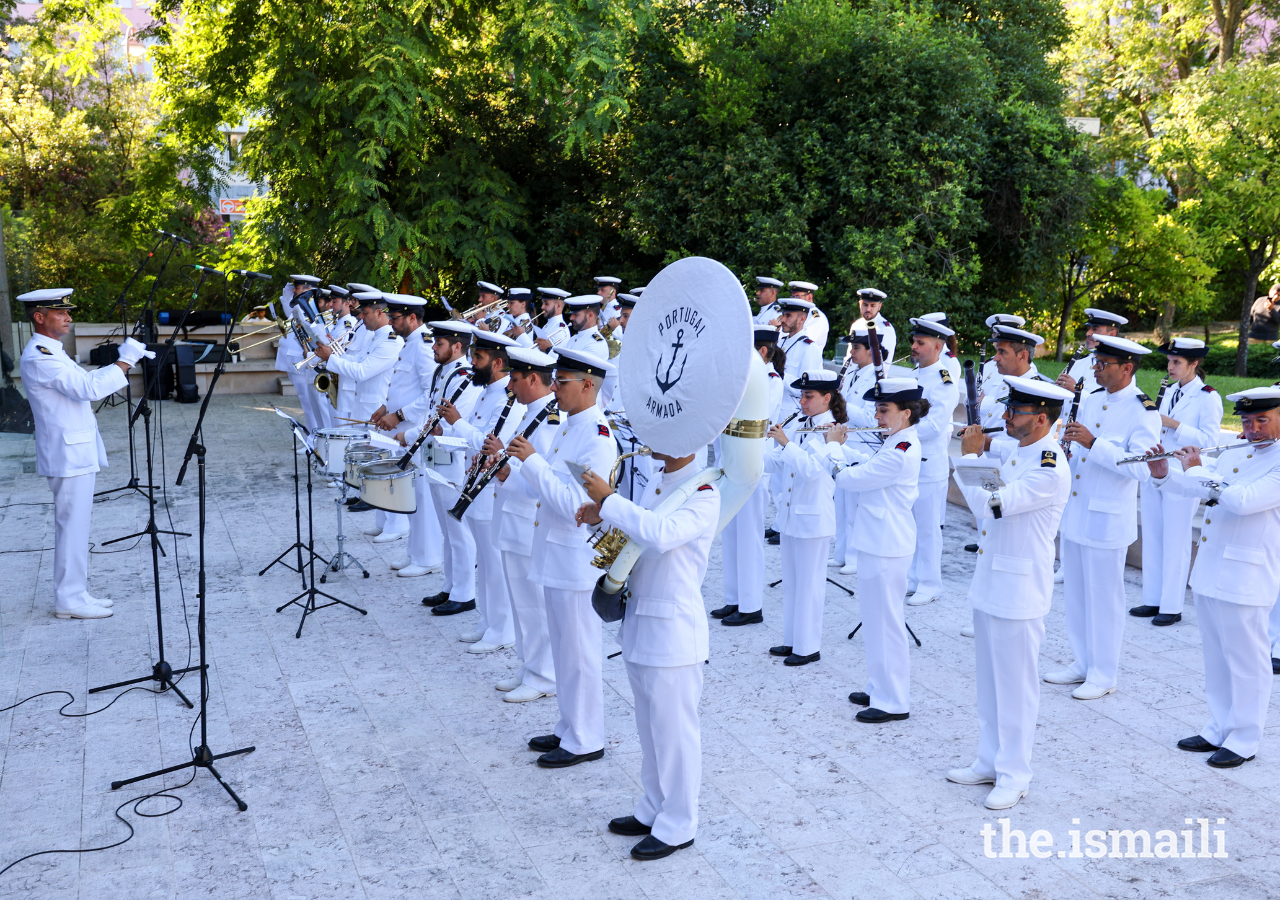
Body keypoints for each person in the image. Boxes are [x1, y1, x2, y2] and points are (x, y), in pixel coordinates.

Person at [576, 446, 719, 862]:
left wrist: (609, 500)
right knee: (650, 729)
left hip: (674, 632)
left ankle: (678, 824)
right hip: (641, 621)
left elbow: (660, 533)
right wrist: (605, 516)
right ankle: (654, 808)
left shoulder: (705, 490)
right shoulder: (660, 479)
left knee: (674, 734)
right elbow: (642, 534)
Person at [947, 376, 1073, 810]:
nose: (1005, 417)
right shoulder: (1021, 451)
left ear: (1041, 418)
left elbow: (992, 506)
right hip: (992, 582)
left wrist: (966, 460)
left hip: (1020, 591)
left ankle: (1015, 772)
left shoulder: (1049, 468)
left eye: (1015, 412)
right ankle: (989, 759)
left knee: (1016, 687)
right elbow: (994, 468)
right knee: (990, 682)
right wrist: (976, 449)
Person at [1147, 386, 1280, 768]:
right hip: (1211, 568)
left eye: (1262, 420)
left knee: (1247, 659)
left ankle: (1245, 738)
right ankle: (1219, 726)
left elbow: (1241, 501)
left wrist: (1199, 469)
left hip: (1247, 574)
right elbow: (1197, 486)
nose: (1252, 428)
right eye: (1247, 420)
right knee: (1216, 656)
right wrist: (1164, 475)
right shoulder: (1242, 452)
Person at [507, 347, 619, 768]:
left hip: (574, 559)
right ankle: (569, 726)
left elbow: (575, 506)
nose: (554, 388)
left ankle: (586, 738)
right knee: (564, 649)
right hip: (556, 556)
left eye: (563, 381)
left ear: (588, 385)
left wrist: (532, 464)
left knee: (580, 651)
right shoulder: (572, 427)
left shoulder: (597, 437)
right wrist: (528, 470)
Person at [18, 288, 153, 619]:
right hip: (67, 456)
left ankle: (75, 593)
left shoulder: (53, 351)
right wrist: (125, 360)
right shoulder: (40, 356)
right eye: (60, 313)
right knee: (72, 527)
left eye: (67, 312)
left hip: (74, 451)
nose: (68, 317)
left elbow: (84, 382)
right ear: (39, 317)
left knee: (76, 526)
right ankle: (69, 599)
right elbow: (89, 389)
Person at [1046, 335, 1160, 700]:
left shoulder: (1144, 411)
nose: (1094, 368)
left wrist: (1094, 444)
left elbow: (1141, 470)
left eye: (1103, 364)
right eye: (1095, 362)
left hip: (1107, 520)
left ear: (1127, 368)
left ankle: (1104, 672)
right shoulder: (1091, 399)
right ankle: (1082, 662)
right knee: (1077, 595)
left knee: (1105, 599)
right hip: (1078, 511)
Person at [827, 373, 923, 723]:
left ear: (906, 413)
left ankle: (894, 700)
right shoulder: (894, 441)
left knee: (887, 622)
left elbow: (852, 479)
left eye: (884, 410)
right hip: (876, 541)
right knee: (874, 619)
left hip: (887, 545)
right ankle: (878, 685)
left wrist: (834, 448)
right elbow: (866, 465)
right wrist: (841, 446)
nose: (878, 417)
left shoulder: (901, 450)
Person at [437, 329, 524, 647]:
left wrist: (457, 423)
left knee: (494, 562)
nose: (472, 363)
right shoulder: (488, 391)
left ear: (498, 362)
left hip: (489, 491)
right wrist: (446, 432)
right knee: (485, 564)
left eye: (478, 358)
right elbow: (471, 438)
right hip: (472, 484)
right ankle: (489, 620)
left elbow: (488, 443)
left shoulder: (509, 399)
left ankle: (502, 630)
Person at [1130, 338, 1223, 626]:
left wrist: (1173, 425)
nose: (1170, 367)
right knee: (1154, 535)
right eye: (1169, 361)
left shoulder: (1209, 397)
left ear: (1193, 364)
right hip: (1156, 469)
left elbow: (1211, 443)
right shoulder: (1168, 391)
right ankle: (1153, 599)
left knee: (1176, 538)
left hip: (1182, 474)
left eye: (1177, 362)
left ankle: (1171, 605)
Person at [491, 347, 561, 702]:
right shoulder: (531, 413)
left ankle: (544, 675)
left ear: (534, 378)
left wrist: (505, 473)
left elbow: (543, 481)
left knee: (533, 603)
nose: (510, 386)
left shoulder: (550, 421)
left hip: (528, 519)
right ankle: (529, 666)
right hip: (514, 516)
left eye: (515, 380)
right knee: (522, 603)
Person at [763, 370, 844, 667]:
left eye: (809, 396)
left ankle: (808, 646)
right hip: (790, 516)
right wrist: (752, 453)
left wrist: (785, 443)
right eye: (801, 395)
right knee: (793, 583)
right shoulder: (799, 424)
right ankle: (792, 639)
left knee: (809, 585)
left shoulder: (831, 429)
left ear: (826, 398)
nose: (802, 401)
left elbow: (811, 470)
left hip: (813, 519)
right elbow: (779, 462)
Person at [714, 328, 785, 626]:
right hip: (730, 463)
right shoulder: (743, 378)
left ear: (763, 352)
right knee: (730, 534)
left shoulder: (771, 380)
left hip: (753, 465)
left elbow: (758, 414)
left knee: (749, 537)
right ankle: (734, 599)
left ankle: (751, 606)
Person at [316, 292, 404, 524]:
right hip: (363, 402)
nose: (361, 317)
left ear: (379, 312)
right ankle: (364, 495)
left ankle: (382, 510)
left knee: (376, 459)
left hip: (374, 405)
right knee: (363, 456)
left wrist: (331, 360)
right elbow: (356, 362)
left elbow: (363, 371)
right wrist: (332, 356)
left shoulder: (390, 340)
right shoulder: (376, 336)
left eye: (364, 313)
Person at [371, 295, 442, 576]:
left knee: (421, 496)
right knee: (411, 494)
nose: (391, 321)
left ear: (413, 318)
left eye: (396, 317)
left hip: (415, 431)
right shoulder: (409, 344)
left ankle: (428, 558)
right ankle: (416, 552)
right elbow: (404, 386)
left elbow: (430, 395)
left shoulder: (423, 346)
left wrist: (398, 416)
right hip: (402, 430)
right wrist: (385, 407)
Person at [413, 322, 481, 610]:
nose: (433, 347)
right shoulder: (445, 371)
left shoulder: (463, 376)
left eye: (439, 343)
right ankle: (451, 586)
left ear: (456, 347)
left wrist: (441, 432)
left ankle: (465, 594)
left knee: (458, 530)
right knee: (447, 529)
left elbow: (462, 424)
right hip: (437, 458)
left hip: (453, 463)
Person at [905, 318, 960, 607]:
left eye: (920, 343)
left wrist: (899, 430)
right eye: (914, 341)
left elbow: (935, 426)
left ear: (938, 346)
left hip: (928, 464)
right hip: (910, 461)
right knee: (910, 525)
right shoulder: (917, 374)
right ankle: (914, 578)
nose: (913, 347)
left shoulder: (942, 379)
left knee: (927, 529)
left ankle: (930, 583)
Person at [829, 330, 884, 575]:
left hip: (862, 445)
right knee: (840, 504)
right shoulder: (851, 371)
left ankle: (854, 557)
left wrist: (842, 404)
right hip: (845, 442)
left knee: (854, 507)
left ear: (871, 351)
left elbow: (871, 418)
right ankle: (840, 552)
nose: (851, 353)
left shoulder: (877, 378)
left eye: (857, 348)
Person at [275, 275, 324, 431]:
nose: (294, 290)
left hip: (303, 360)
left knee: (309, 401)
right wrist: (290, 287)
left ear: (308, 289)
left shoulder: (310, 308)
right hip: (294, 359)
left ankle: (312, 435)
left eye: (298, 287)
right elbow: (286, 303)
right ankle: (312, 434)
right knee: (305, 400)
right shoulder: (298, 306)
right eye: (294, 287)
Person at [1057, 308, 1128, 396]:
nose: (1088, 333)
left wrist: (1076, 390)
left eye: (1095, 329)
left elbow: (1108, 405)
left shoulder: (1120, 368)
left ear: (1112, 334)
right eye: (1088, 328)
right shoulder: (1078, 363)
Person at [775, 298, 823, 419]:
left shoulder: (809, 347)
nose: (783, 320)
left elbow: (806, 387)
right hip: (773, 410)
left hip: (791, 415)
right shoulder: (779, 343)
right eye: (783, 315)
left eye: (788, 316)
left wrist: (777, 375)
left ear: (802, 319)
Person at [848, 288, 896, 364]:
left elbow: (885, 362)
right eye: (865, 304)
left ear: (879, 306)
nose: (868, 309)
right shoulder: (856, 325)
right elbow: (849, 355)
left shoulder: (885, 328)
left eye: (873, 305)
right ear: (860, 304)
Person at [788, 280, 829, 348]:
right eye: (793, 297)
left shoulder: (817, 317)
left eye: (797, 296)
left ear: (809, 297)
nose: (794, 300)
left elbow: (805, 341)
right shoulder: (795, 314)